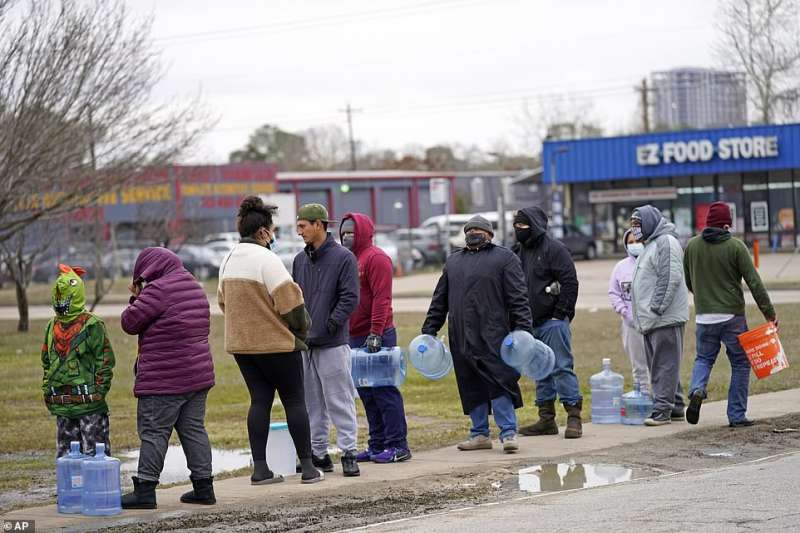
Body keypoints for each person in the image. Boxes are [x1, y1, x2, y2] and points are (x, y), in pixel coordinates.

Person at [218, 197, 323, 485]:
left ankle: (260, 469)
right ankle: (308, 467)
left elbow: (222, 303)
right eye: (272, 230)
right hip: (277, 346)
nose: (273, 236)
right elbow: (292, 305)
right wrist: (301, 332)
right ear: (263, 232)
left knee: (259, 402)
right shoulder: (268, 259)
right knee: (294, 401)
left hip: (242, 347)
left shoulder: (227, 260)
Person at [422, 215, 532, 453]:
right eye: (470, 230)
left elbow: (518, 297)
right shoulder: (453, 261)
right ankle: (479, 433)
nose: (474, 233)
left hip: (495, 334)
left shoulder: (504, 258)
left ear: (490, 235)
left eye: (479, 230)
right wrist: (429, 329)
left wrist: (523, 329)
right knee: (470, 383)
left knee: (499, 381)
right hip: (460, 334)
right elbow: (440, 299)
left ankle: (508, 433)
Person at [120, 247, 216, 509]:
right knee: (194, 429)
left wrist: (136, 298)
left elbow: (129, 323)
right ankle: (204, 487)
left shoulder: (157, 290)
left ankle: (145, 490)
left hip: (164, 379)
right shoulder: (194, 286)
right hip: (197, 375)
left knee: (153, 432)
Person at [684, 202, 777, 428]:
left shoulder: (692, 246)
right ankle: (736, 415)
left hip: (704, 316)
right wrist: (769, 313)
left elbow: (689, 280)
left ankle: (697, 389)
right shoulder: (736, 247)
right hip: (732, 317)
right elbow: (754, 282)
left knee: (704, 358)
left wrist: (704, 297)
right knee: (740, 362)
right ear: (727, 224)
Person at [293, 203, 361, 476]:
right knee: (312, 403)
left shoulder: (344, 257)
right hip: (306, 344)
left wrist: (331, 324)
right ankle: (318, 454)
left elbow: (350, 297)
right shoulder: (299, 260)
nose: (299, 232)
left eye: (303, 226)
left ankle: (349, 452)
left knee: (339, 399)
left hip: (332, 342)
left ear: (319, 224)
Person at [340, 212, 411, 464]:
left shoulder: (376, 258)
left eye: (352, 231)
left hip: (376, 336)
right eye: (344, 231)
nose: (347, 236)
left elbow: (382, 298)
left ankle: (397, 445)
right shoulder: (348, 259)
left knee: (384, 392)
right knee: (366, 394)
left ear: (363, 232)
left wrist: (376, 332)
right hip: (354, 336)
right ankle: (377, 443)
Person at [512, 207, 583, 439]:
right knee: (538, 370)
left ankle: (573, 416)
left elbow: (570, 283)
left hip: (553, 323)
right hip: (528, 324)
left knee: (561, 367)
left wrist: (560, 314)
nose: (518, 230)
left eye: (523, 225)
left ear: (535, 225)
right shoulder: (516, 252)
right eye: (516, 225)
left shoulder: (555, 250)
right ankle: (546, 418)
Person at [41, 264, 115, 459]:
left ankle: (94, 490)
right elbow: (46, 361)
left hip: (90, 406)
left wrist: (98, 392)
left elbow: (105, 361)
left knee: (95, 456)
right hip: (62, 406)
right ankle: (72, 490)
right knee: (67, 458)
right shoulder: (51, 326)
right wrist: (49, 390)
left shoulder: (92, 325)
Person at [630, 205, 689, 426]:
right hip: (651, 319)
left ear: (649, 223)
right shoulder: (650, 245)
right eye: (633, 225)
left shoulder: (666, 242)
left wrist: (656, 308)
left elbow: (670, 277)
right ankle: (675, 405)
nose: (635, 229)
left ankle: (662, 410)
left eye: (638, 224)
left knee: (663, 364)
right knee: (664, 363)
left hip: (663, 317)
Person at [608, 229, 650, 395]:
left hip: (653, 323)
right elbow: (614, 292)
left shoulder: (651, 262)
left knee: (656, 364)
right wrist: (623, 310)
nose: (634, 245)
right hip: (630, 325)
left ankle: (661, 400)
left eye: (637, 241)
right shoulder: (621, 267)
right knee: (638, 365)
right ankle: (644, 397)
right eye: (630, 242)